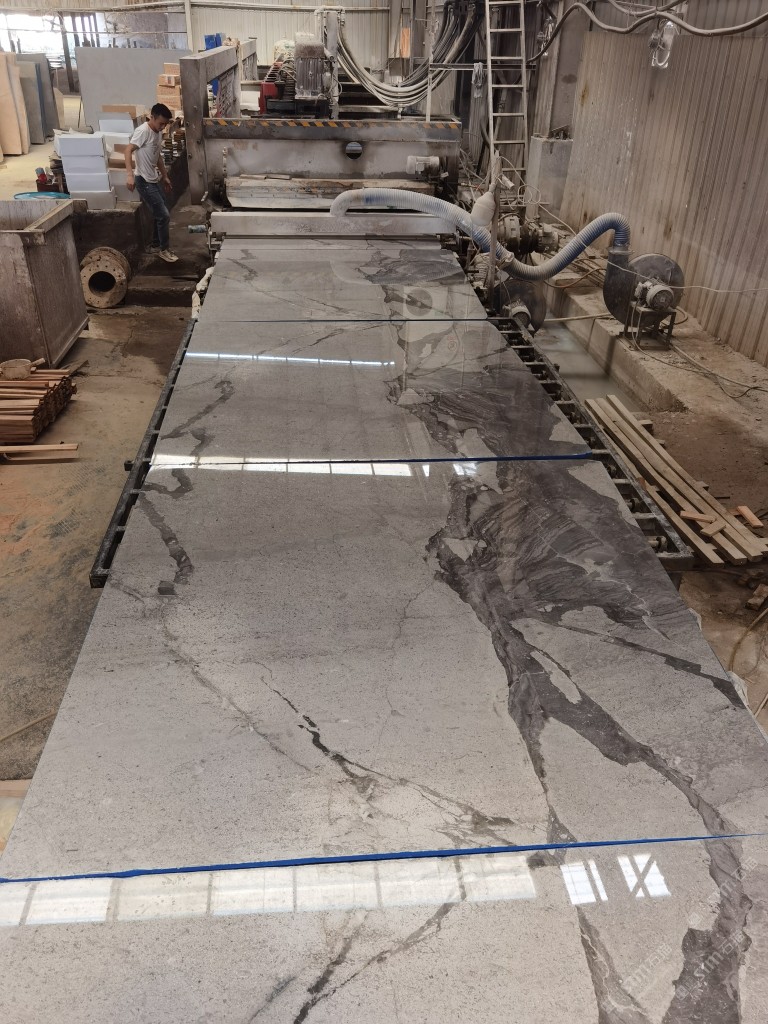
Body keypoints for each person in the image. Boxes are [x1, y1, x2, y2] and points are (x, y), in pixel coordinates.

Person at [125, 103, 178, 263]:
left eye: (165, 124)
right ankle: (164, 249)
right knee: (163, 215)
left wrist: (165, 176)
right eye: (161, 123)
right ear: (152, 117)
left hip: (153, 179)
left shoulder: (158, 132)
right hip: (143, 180)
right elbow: (127, 150)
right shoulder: (143, 131)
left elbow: (157, 155)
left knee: (160, 212)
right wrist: (129, 175)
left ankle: (156, 244)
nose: (163, 127)